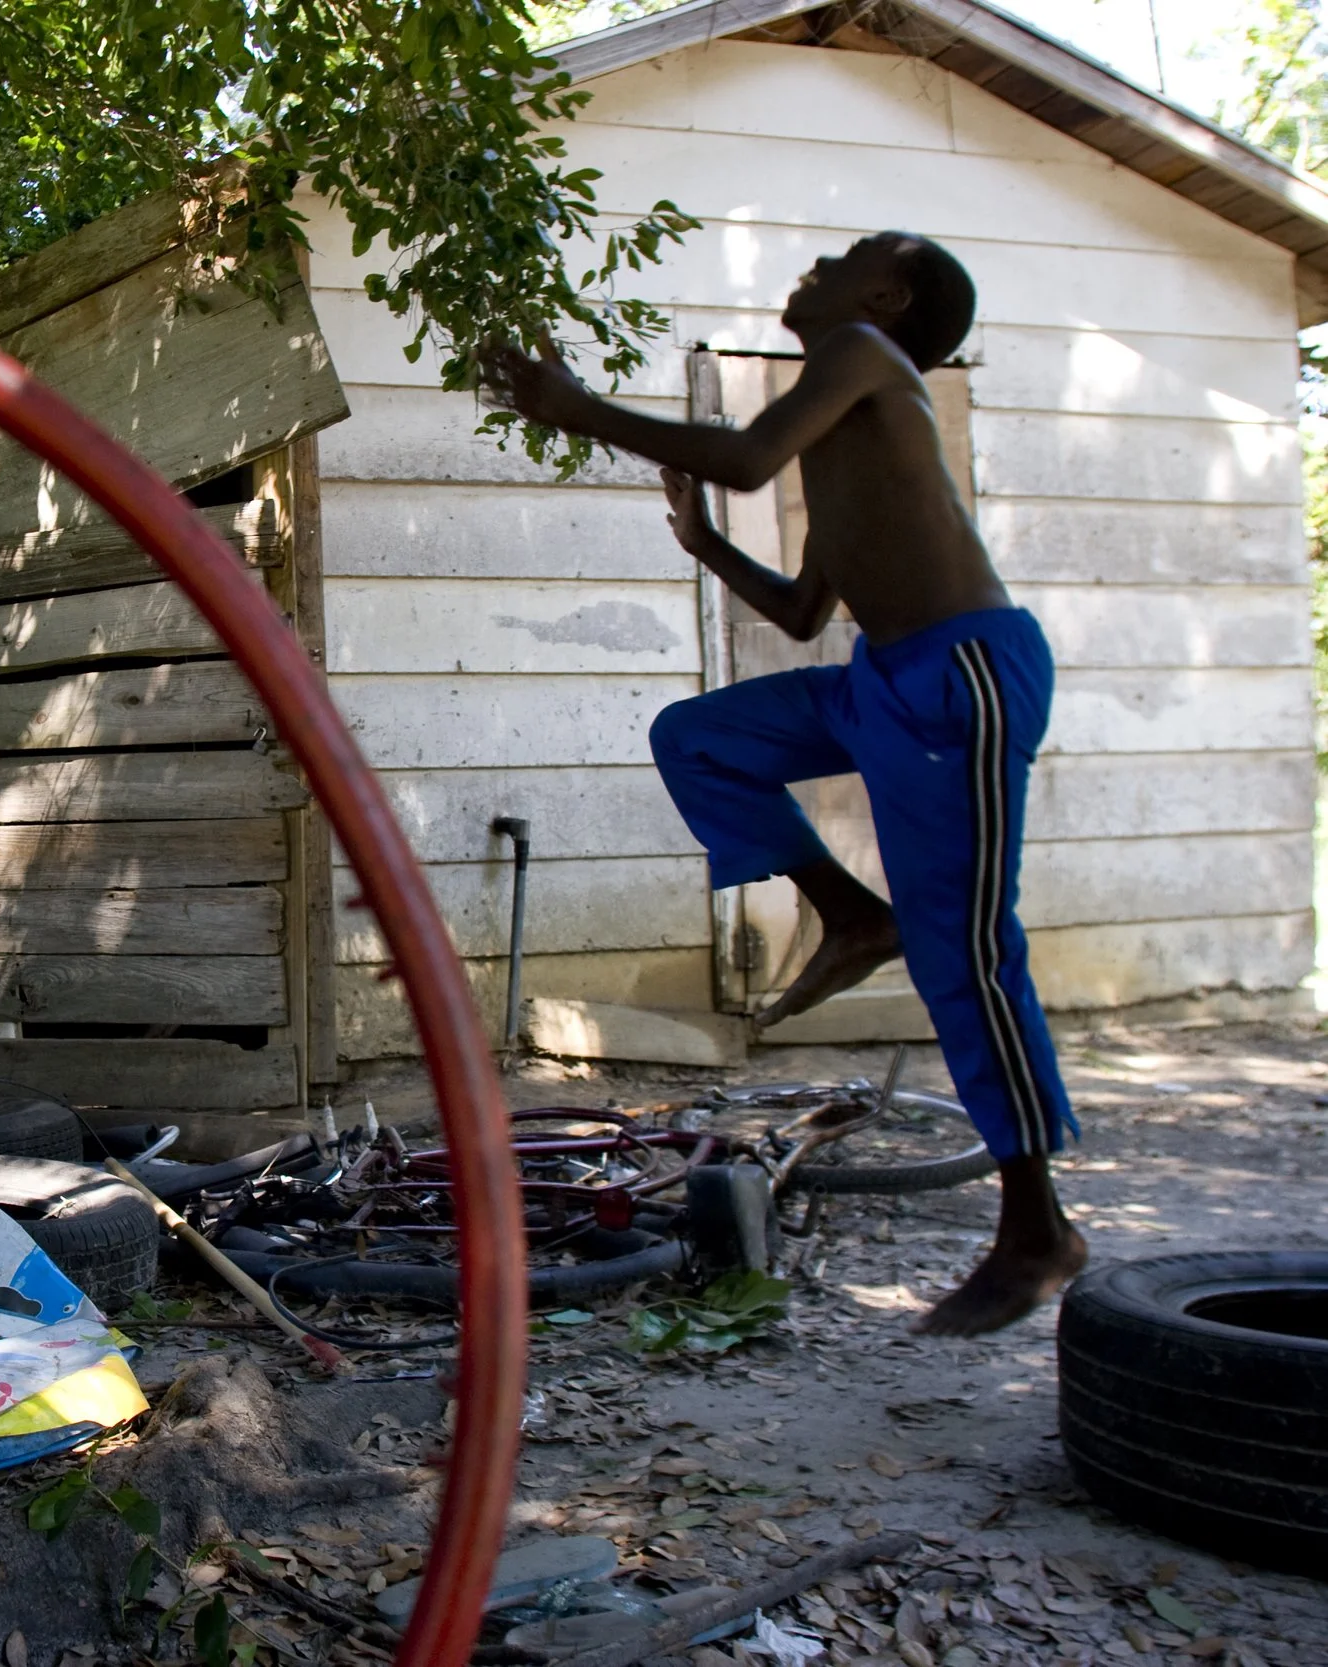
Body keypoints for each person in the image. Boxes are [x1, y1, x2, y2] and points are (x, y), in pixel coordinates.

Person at [481, 232, 1087, 1337]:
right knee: (698, 737)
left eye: (845, 255)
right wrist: (704, 541)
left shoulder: (860, 352)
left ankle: (1036, 1226)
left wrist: (576, 410)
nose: (814, 261)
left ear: (885, 297)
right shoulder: (841, 411)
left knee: (967, 955)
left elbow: (747, 452)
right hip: (877, 677)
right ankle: (849, 910)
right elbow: (806, 610)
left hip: (962, 674)